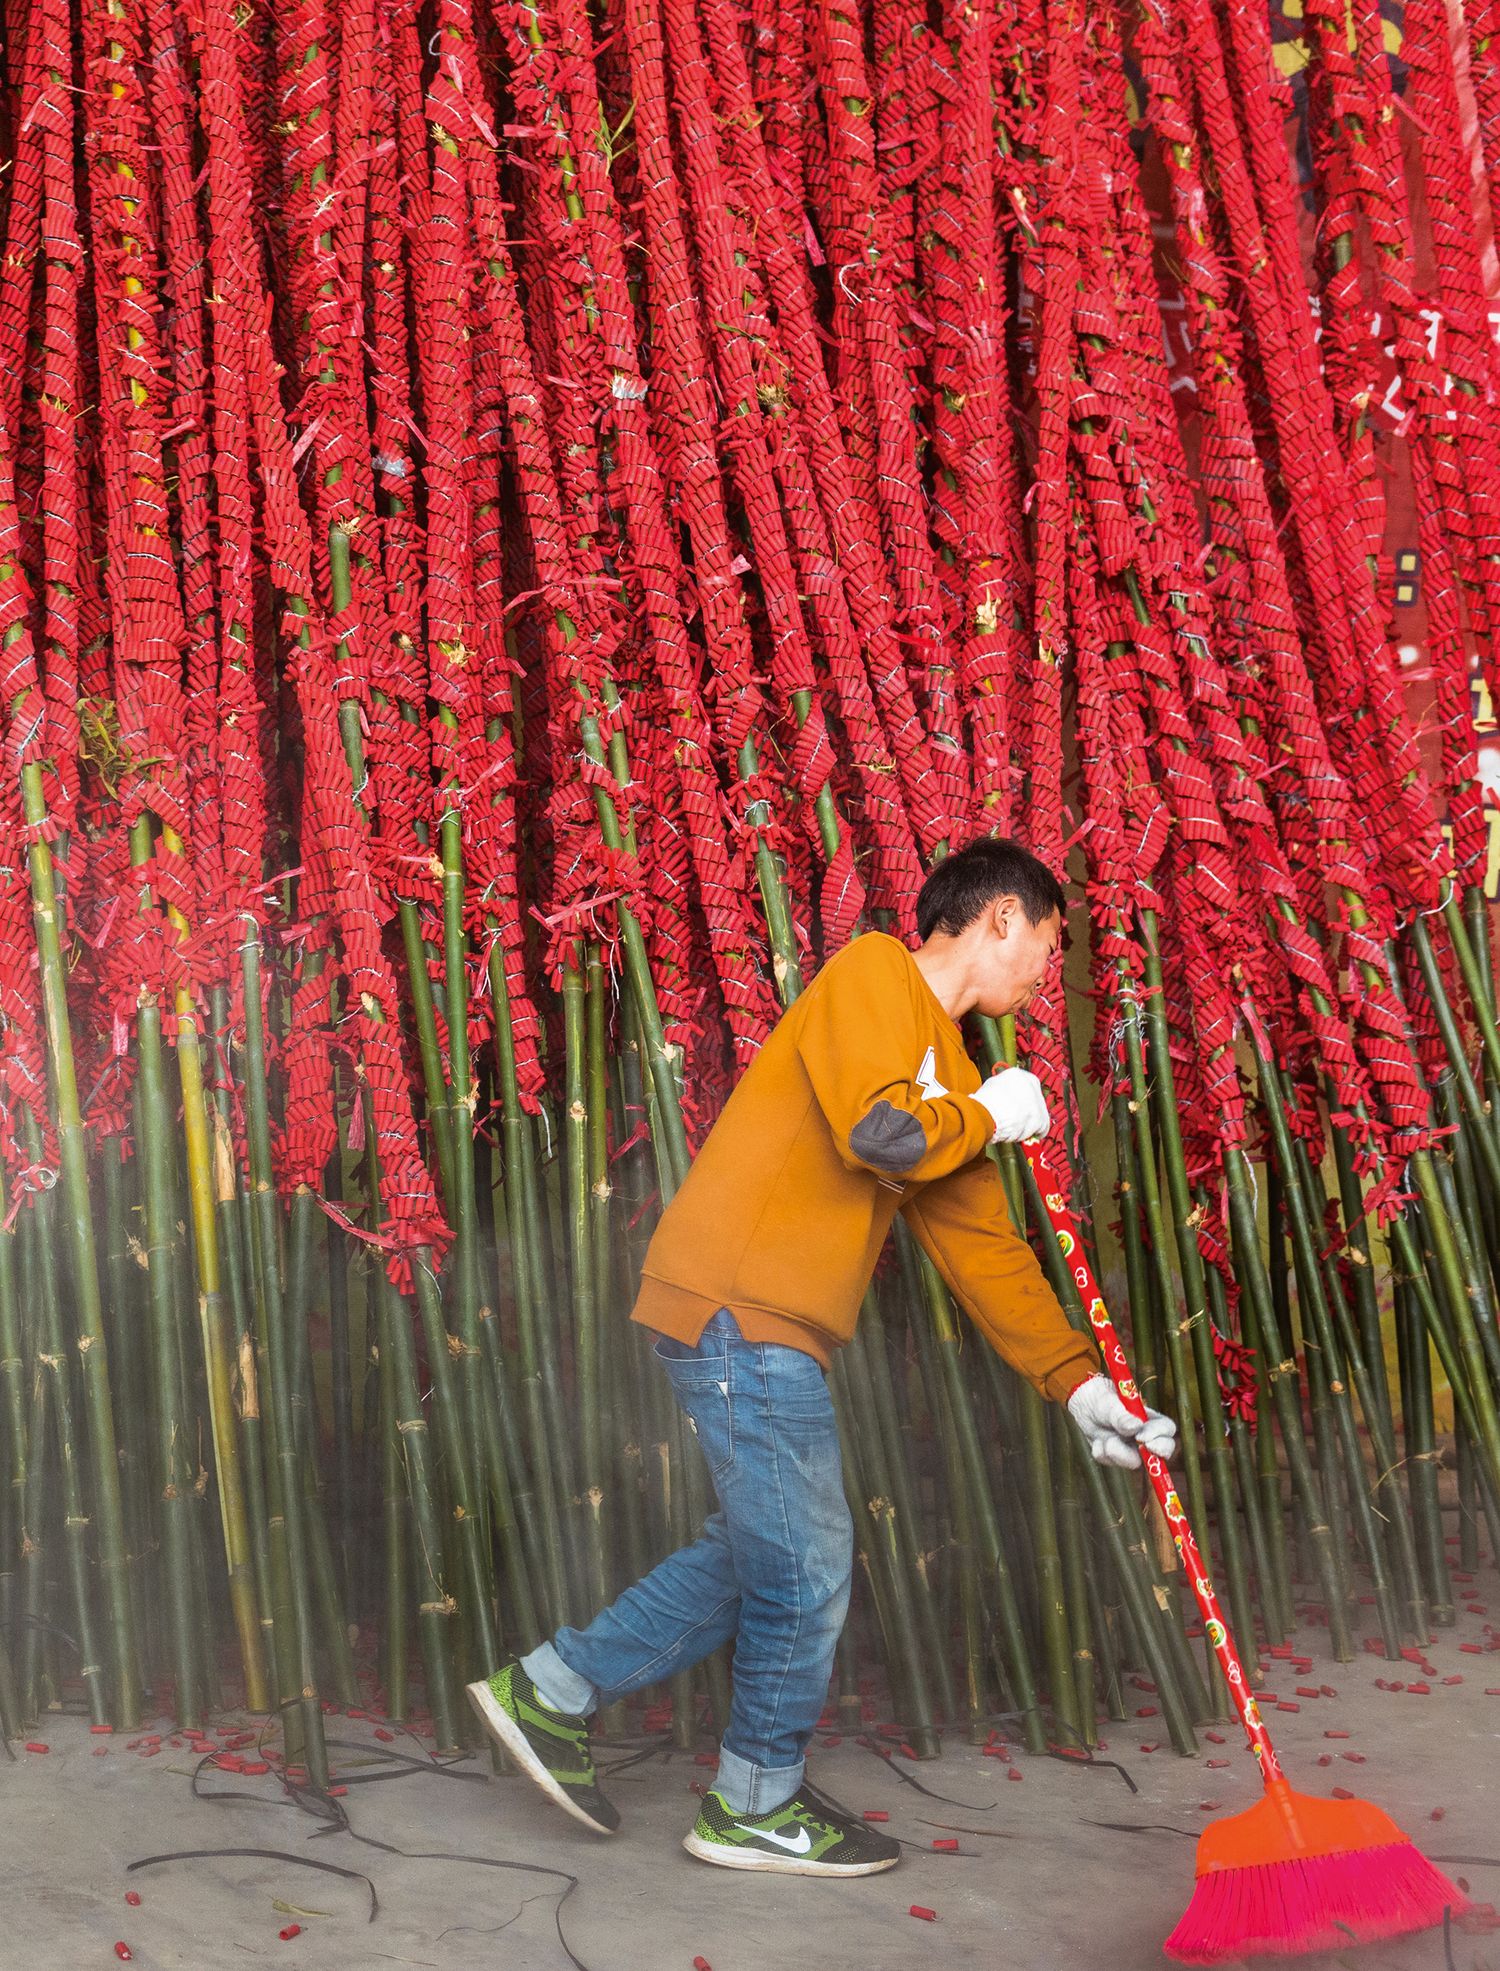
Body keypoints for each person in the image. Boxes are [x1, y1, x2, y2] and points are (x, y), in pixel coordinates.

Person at [467, 837, 1176, 1877]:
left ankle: (551, 1691)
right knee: (806, 1561)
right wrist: (983, 1113)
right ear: (1002, 918)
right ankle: (751, 1805)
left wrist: (1079, 1387)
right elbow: (879, 1135)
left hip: (760, 1320)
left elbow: (983, 1251)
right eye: (1053, 942)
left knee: (768, 1550)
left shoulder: (951, 1068)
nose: (1048, 971)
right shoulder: (873, 975)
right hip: (738, 1309)